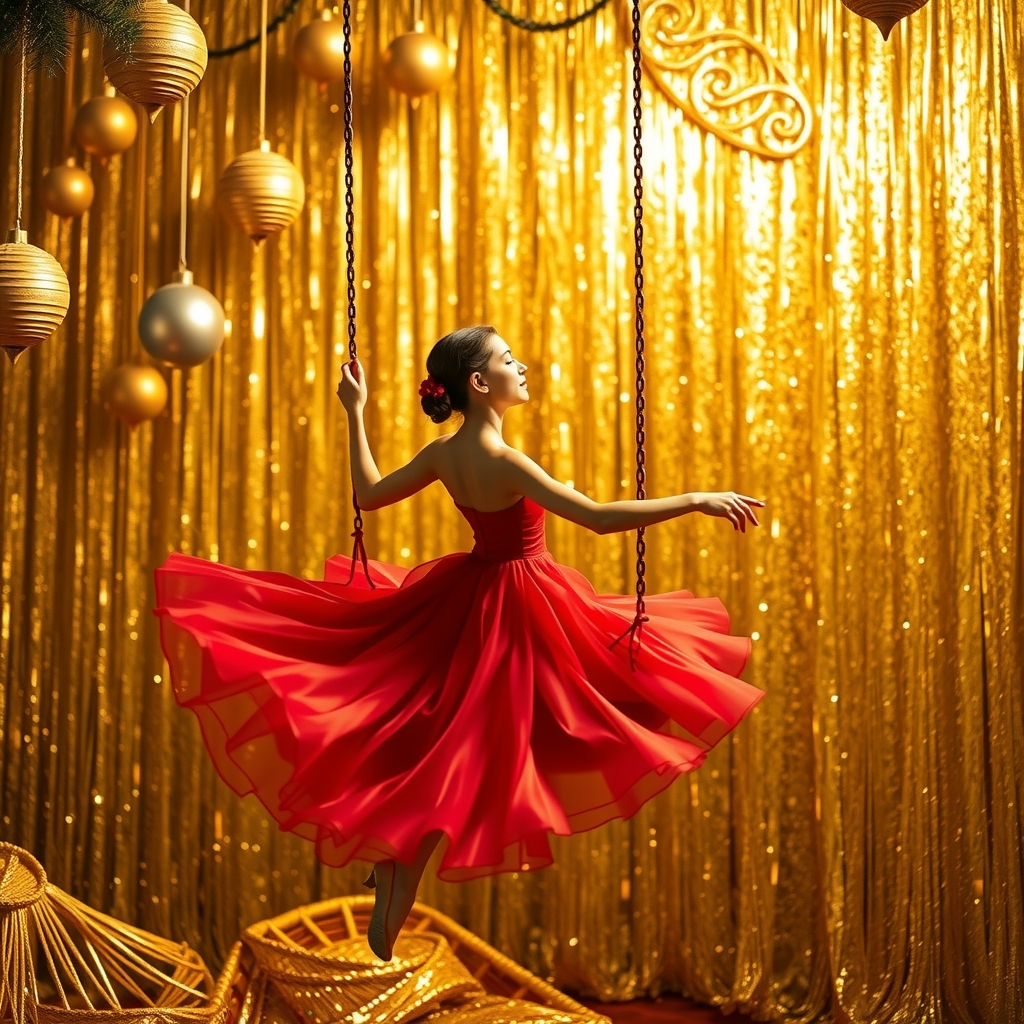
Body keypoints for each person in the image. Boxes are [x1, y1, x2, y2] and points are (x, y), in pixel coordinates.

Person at [153, 325, 765, 964]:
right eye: (507, 360)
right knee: (516, 736)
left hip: (467, 597)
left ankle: (393, 853)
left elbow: (369, 495)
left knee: (435, 735)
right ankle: (397, 864)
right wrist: (698, 498)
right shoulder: (505, 462)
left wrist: (356, 414)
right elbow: (600, 518)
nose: (521, 366)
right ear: (478, 383)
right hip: (523, 603)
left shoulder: (445, 454)